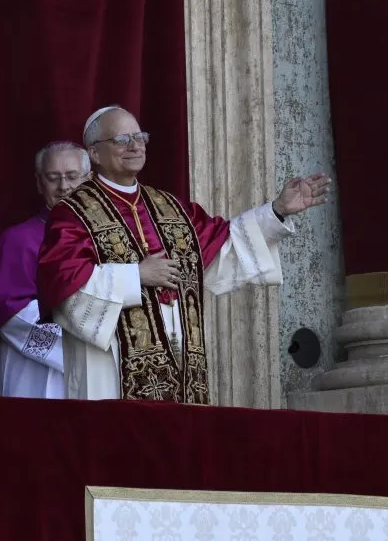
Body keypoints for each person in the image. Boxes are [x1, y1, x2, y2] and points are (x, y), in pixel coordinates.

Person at [36, 106, 331, 403]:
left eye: (140, 137)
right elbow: (65, 284)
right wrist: (135, 276)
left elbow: (224, 246)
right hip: (111, 366)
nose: (135, 146)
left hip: (180, 364)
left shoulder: (171, 207)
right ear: (95, 153)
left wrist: (277, 210)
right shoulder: (73, 213)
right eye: (122, 139)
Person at [0, 142, 90, 398]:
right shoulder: (17, 240)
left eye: (72, 177)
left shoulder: (107, 237)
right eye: (53, 178)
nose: (64, 187)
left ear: (89, 180)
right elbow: (12, 314)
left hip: (100, 375)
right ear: (39, 184)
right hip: (35, 376)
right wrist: (84, 343)